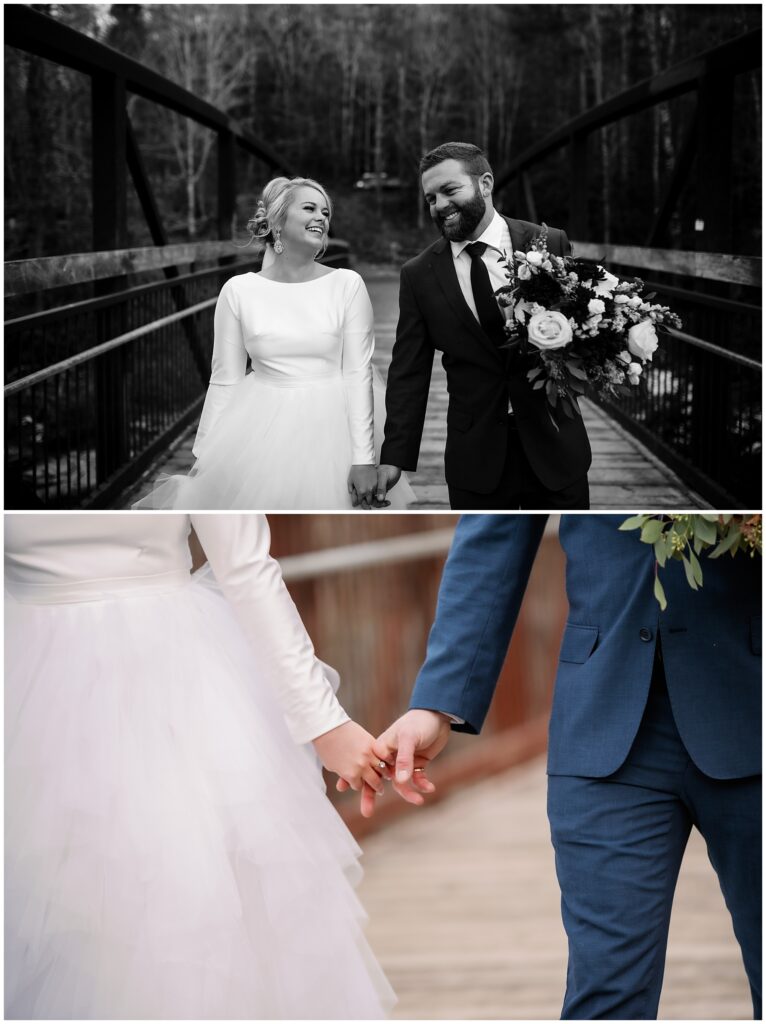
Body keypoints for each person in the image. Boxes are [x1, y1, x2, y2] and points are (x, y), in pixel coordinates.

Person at [5, 513, 395, 1019]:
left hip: (167, 688)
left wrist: (324, 722)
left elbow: (247, 566)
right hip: (34, 690)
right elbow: (247, 567)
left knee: (185, 897)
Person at [372, 514, 761, 1019]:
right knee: (605, 997)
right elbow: (497, 528)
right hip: (604, 721)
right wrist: (438, 702)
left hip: (753, 695)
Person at [135, 176, 413, 511]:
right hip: (261, 427)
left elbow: (357, 374)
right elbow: (225, 379)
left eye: (325, 211)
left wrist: (364, 459)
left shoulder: (346, 284)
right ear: (277, 220)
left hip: (333, 428)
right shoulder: (238, 291)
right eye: (309, 208)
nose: (322, 217)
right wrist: (203, 459)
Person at [376, 142, 591, 510]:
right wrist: (394, 455)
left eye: (450, 190)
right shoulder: (419, 274)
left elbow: (583, 328)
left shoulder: (548, 243)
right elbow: (408, 371)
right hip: (475, 458)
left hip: (555, 446)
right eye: (430, 198)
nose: (439, 205)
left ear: (485, 183)